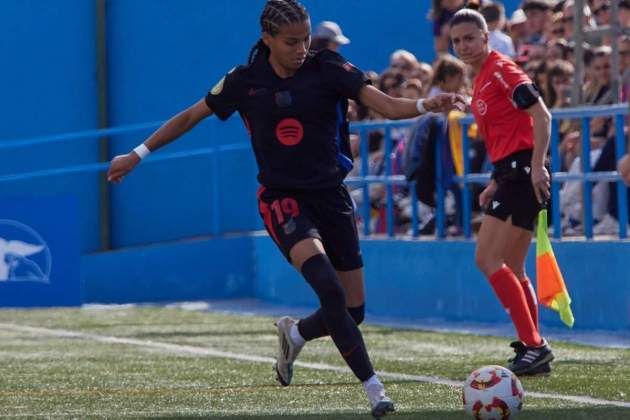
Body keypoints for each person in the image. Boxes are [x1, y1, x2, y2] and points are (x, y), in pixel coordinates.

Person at [106, 0, 465, 417]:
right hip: (282, 198)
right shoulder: (245, 80)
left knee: (353, 311)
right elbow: (191, 116)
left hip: (332, 196)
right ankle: (374, 389)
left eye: (306, 39)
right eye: (291, 41)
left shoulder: (328, 67)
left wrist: (426, 106)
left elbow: (384, 104)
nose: (301, 48)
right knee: (328, 288)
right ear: (268, 39)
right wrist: (138, 153)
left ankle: (294, 334)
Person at [449, 8, 555, 376]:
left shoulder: (501, 69)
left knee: (486, 259)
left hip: (523, 173)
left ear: (486, 38)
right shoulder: (481, 77)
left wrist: (538, 165)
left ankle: (535, 345)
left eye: (469, 38)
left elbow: (542, 116)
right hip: (510, 173)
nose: (463, 46)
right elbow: (508, 133)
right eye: (457, 40)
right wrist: (496, 179)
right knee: (513, 265)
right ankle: (532, 345)